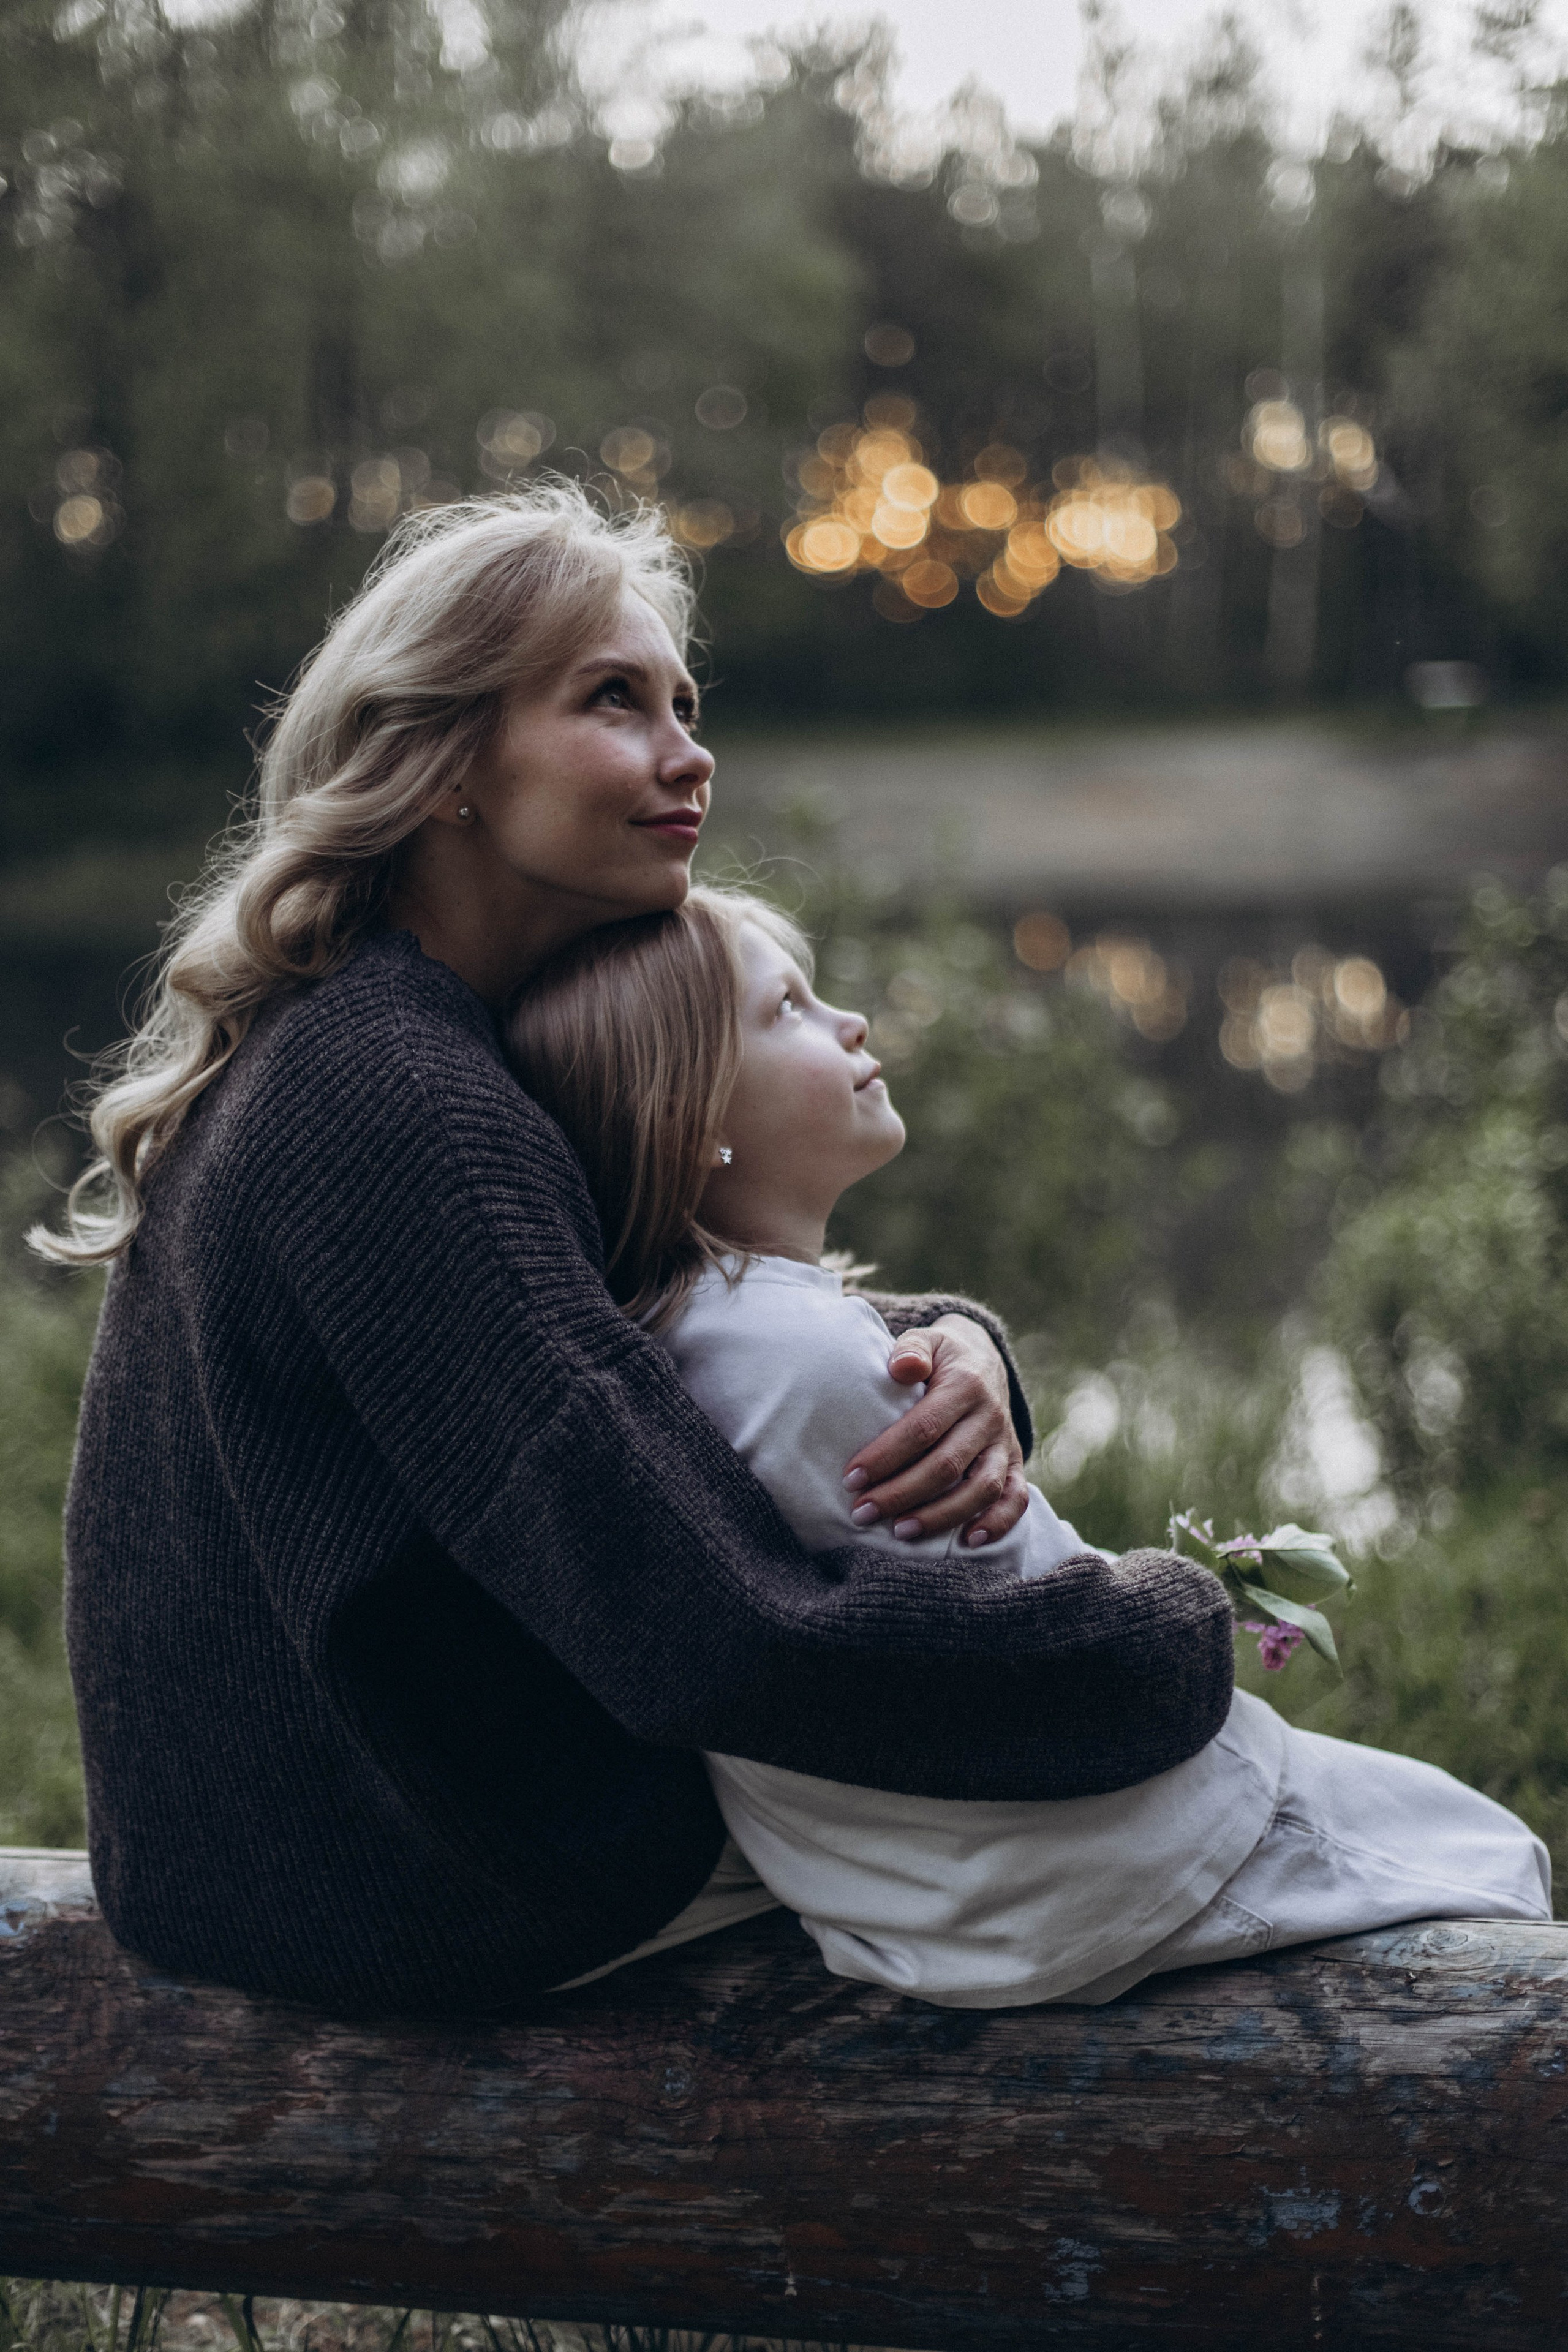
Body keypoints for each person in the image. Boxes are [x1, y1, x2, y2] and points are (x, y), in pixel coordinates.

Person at [32, 486, 1236, 2017]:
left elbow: (629, 1345)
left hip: (301, 1866)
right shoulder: (394, 1097)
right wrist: (1155, 1636)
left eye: (685, 704)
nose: (689, 753)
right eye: (613, 699)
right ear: (444, 762)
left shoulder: (387, 1033)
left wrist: (960, 1348)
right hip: (414, 1891)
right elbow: (710, 1632)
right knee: (1206, 1867)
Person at [506, 884, 1553, 2008]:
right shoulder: (813, 1363)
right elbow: (1011, 1608)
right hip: (1086, 1862)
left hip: (896, 1891)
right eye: (789, 1011)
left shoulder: (690, 1339)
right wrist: (1180, 1598)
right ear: (689, 1119)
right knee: (1491, 1857)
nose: (850, 1022)